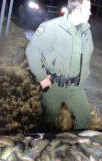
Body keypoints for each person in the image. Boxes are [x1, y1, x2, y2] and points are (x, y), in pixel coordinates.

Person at [26, 0, 94, 131]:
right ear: (77, 10)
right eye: (88, 9)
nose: (90, 13)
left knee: (85, 118)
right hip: (55, 86)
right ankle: (45, 148)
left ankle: (74, 148)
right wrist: (41, 77)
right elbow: (32, 50)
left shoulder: (86, 30)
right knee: (48, 122)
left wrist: (83, 76)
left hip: (75, 87)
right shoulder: (51, 27)